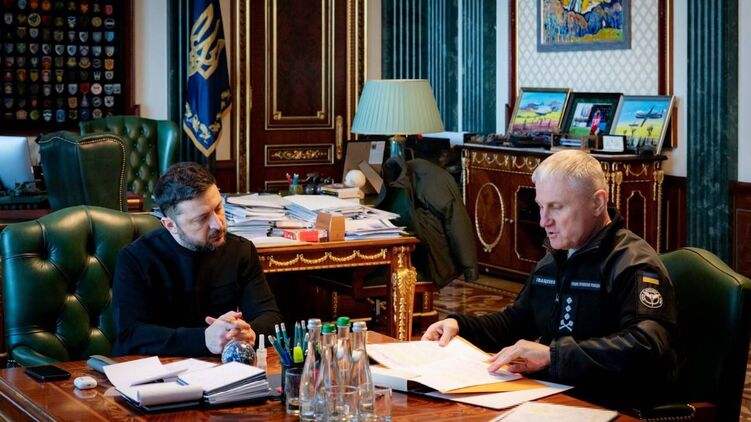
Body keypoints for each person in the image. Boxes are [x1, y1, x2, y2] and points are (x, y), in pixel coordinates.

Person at [422, 149, 677, 408]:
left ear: (598, 203)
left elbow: (648, 347)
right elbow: (516, 322)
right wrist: (460, 327)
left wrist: (553, 356)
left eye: (556, 207)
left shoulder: (633, 264)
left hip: (611, 405)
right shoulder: (553, 261)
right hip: (552, 395)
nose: (543, 221)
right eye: (541, 207)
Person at [112, 162, 283, 357]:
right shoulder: (136, 258)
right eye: (202, 218)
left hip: (221, 369)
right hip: (157, 370)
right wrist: (203, 339)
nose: (218, 224)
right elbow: (130, 335)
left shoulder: (241, 250)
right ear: (170, 225)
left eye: (218, 208)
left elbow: (271, 317)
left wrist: (249, 333)